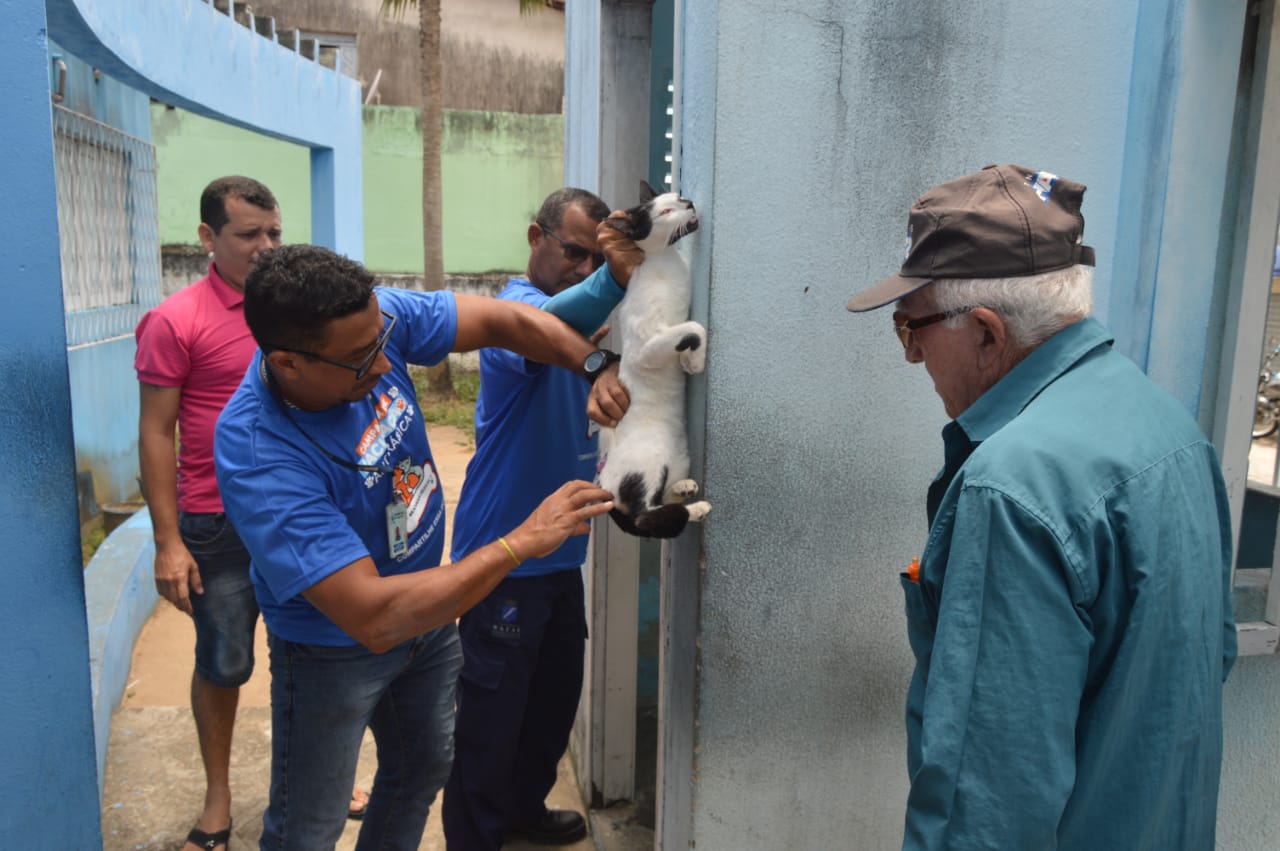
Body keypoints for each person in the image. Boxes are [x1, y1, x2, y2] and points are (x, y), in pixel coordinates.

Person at [845, 164, 1236, 850]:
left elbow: (987, 799)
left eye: (913, 327)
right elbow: (1210, 659)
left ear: (989, 334)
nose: (912, 355)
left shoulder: (1012, 486)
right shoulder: (1170, 429)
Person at [214, 243, 631, 851]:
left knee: (420, 772)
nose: (386, 365)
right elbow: (373, 616)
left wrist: (596, 365)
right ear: (289, 363)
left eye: (381, 340)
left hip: (429, 621)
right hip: (334, 652)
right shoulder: (260, 454)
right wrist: (519, 543)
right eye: (361, 361)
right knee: (310, 823)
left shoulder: (371, 323)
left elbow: (500, 320)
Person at [442, 188, 623, 849]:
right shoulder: (511, 312)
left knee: (549, 707)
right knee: (490, 721)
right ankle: (477, 836)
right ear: (535, 237)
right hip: (504, 556)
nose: (583, 269)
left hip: (561, 557)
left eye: (594, 258)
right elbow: (554, 319)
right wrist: (617, 275)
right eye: (574, 251)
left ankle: (522, 810)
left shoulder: (582, 322)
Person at [135, 176, 283, 851]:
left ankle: (315, 775)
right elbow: (155, 431)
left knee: (314, 654)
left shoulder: (292, 306)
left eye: (273, 232)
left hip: (297, 517)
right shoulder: (176, 320)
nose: (266, 246)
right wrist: (168, 542)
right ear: (207, 238)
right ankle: (218, 797)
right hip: (217, 526)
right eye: (249, 234)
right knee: (223, 662)